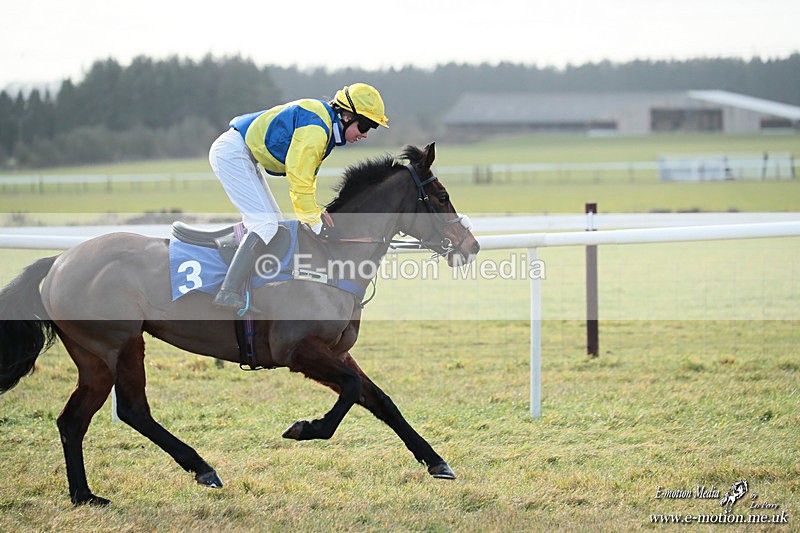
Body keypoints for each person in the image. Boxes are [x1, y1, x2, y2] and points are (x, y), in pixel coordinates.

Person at [208, 83, 389, 312]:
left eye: (371, 128)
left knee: (276, 225)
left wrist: (315, 216)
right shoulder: (316, 129)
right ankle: (228, 292)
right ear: (346, 115)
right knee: (264, 224)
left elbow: (307, 180)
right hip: (233, 153)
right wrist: (315, 224)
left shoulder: (325, 127)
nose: (364, 133)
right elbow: (299, 181)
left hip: (244, 153)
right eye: (365, 125)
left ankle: (254, 289)